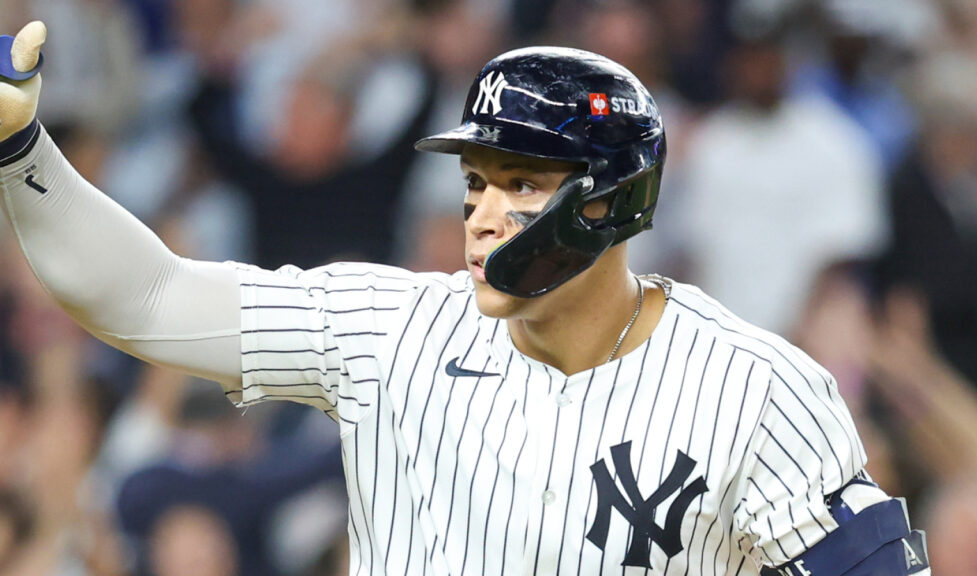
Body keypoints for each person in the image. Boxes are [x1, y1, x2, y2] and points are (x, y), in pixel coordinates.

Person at [0, 21, 929, 575]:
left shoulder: (756, 388)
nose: (483, 216)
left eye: (521, 183)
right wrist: (21, 153)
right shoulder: (389, 330)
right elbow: (150, 297)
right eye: (476, 183)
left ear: (610, 202)